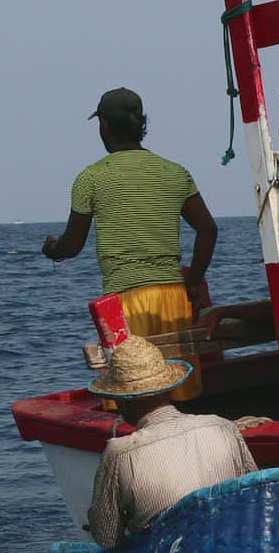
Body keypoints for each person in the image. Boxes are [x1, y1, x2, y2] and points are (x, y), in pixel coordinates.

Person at [43, 87, 217, 400]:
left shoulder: (91, 178)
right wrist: (192, 282)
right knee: (179, 392)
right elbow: (208, 230)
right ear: (141, 124)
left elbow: (73, 245)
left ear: (105, 125)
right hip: (173, 299)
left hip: (123, 302)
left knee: (130, 395)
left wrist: (52, 249)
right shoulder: (175, 172)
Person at [84, 336, 257, 549]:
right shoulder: (223, 426)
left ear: (122, 402)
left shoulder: (119, 451)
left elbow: (107, 538)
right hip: (230, 546)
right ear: (170, 389)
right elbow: (252, 497)